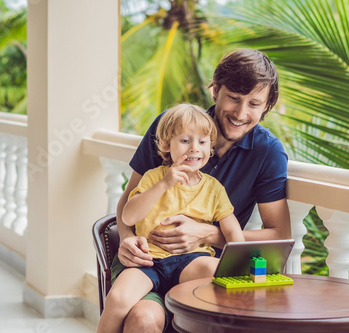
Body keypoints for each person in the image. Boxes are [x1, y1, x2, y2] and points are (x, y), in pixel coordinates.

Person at [115, 48, 291, 332]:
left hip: (205, 269)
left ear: (267, 106)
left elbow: (279, 234)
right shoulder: (170, 126)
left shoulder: (268, 152)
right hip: (147, 263)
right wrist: (125, 239)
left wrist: (205, 232)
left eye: (254, 104)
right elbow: (129, 197)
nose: (241, 113)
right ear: (215, 89)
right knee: (143, 319)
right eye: (233, 98)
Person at [97, 103, 245, 333]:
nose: (195, 148)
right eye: (185, 141)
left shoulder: (214, 189)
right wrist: (164, 184)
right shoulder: (153, 177)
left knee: (220, 271)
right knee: (118, 299)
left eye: (202, 142)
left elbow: (232, 231)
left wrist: (241, 260)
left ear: (210, 147)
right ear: (166, 145)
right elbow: (128, 215)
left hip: (190, 261)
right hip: (148, 261)